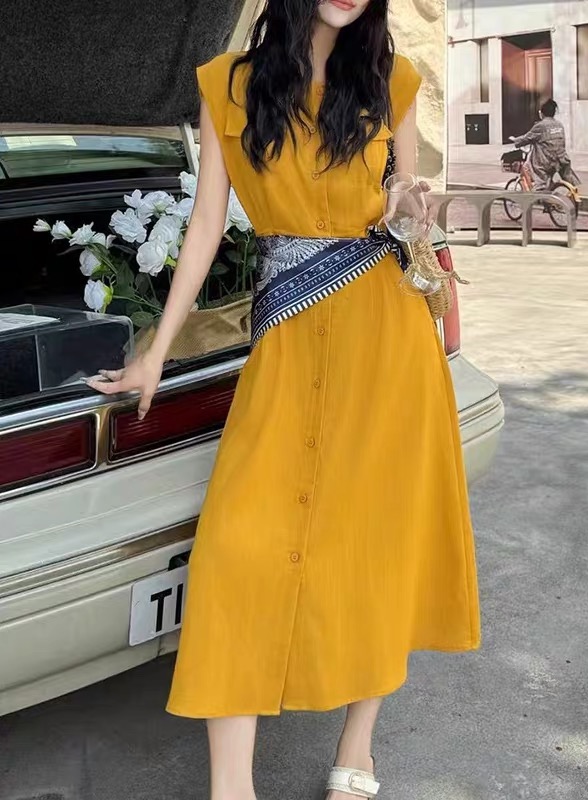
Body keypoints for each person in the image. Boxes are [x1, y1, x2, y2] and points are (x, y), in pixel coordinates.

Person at [88, 1, 481, 798]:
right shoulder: (227, 85)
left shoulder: (393, 80)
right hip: (289, 343)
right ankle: (231, 787)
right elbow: (205, 227)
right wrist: (156, 351)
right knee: (238, 548)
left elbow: (405, 198)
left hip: (387, 345)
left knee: (375, 543)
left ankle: (358, 748)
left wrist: (411, 205)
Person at [509, 99, 581, 191]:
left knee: (537, 173)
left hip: (547, 161)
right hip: (561, 159)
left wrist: (515, 140)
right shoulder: (559, 124)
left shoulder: (541, 126)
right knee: (565, 175)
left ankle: (540, 191)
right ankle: (571, 189)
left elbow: (527, 138)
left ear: (542, 113)